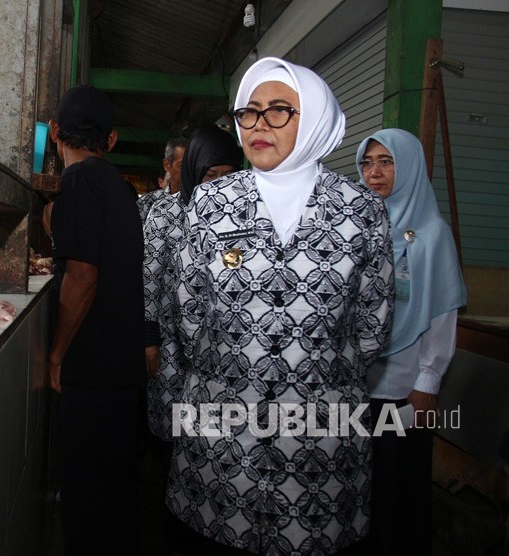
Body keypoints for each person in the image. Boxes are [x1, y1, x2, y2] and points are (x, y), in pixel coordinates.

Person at [169, 57, 394, 554]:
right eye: (248, 112)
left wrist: (314, 374)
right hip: (223, 437)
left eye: (278, 111)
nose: (257, 125)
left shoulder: (360, 211)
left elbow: (373, 326)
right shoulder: (209, 206)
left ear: (312, 118)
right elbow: (186, 314)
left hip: (318, 440)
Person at [45, 84, 146, 555]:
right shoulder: (120, 188)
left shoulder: (79, 182)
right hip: (122, 370)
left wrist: (58, 353)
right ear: (112, 140)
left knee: (87, 506)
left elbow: (83, 276)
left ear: (54, 132)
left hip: (93, 370)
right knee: (115, 499)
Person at [356, 128, 466, 555]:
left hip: (404, 387)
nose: (374, 172)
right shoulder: (361, 227)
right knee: (363, 485)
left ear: (410, 167)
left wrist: (428, 381)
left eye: (386, 161)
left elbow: (442, 313)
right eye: (367, 163)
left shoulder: (432, 233)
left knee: (399, 486)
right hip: (359, 383)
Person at [143, 125, 240, 554]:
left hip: (221, 355)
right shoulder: (166, 213)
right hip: (169, 344)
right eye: (209, 175)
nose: (219, 184)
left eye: (228, 174)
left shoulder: (244, 213)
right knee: (171, 437)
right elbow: (148, 276)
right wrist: (148, 337)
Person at [138, 136, 189, 223]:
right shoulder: (147, 203)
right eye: (181, 165)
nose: (188, 170)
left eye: (192, 165)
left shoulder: (202, 200)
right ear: (167, 165)